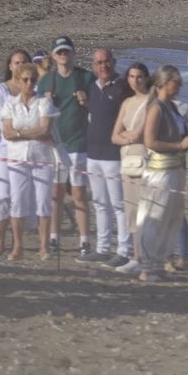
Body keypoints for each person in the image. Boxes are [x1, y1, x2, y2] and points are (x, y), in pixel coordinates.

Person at [134, 65, 188, 283]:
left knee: (171, 218)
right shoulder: (156, 108)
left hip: (176, 168)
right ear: (164, 83)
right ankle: (146, 267)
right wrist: (179, 144)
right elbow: (150, 141)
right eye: (175, 81)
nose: (179, 86)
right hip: (160, 171)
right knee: (154, 218)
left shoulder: (173, 108)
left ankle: (158, 265)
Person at [38, 35, 95, 256]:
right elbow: (37, 112)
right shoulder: (46, 81)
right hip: (54, 145)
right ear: (53, 56)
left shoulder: (86, 78)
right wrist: (46, 102)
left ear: (73, 53)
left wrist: (86, 102)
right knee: (56, 194)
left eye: (66, 51)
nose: (63, 55)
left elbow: (97, 110)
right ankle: (53, 238)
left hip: (78, 144)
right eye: (59, 52)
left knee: (79, 194)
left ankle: (84, 241)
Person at [0, 62, 59, 260]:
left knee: (43, 202)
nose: (29, 83)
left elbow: (45, 129)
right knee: (18, 202)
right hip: (17, 159)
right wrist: (26, 134)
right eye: (25, 80)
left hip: (42, 158)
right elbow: (7, 133)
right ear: (17, 81)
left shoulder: (44, 103)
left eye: (33, 80)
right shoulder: (10, 104)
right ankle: (18, 247)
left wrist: (20, 133)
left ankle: (44, 247)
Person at [79, 48, 128, 264]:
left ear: (114, 62)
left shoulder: (123, 87)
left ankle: (124, 250)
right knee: (100, 203)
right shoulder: (93, 87)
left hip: (114, 156)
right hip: (93, 154)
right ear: (94, 66)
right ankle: (102, 248)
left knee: (119, 205)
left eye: (106, 61)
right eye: (99, 63)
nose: (103, 66)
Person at [109, 62, 151, 271]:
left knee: (145, 209)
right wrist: (126, 138)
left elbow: (138, 134)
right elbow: (114, 136)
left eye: (139, 76)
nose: (135, 80)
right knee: (131, 208)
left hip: (143, 159)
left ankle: (145, 256)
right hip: (127, 159)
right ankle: (136, 256)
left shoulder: (151, 102)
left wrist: (126, 137)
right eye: (132, 76)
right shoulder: (127, 102)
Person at [0, 50, 30, 255]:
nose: (20, 65)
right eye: (16, 62)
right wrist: (25, 130)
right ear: (10, 65)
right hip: (5, 148)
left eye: (24, 62)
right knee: (2, 195)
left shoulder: (34, 90)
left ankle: (17, 242)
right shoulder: (0, 90)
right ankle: (0, 239)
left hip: (27, 150)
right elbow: (2, 123)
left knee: (19, 196)